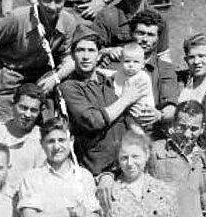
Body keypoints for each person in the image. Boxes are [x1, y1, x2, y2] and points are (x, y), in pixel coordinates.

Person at [0, 0, 81, 122]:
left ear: (64, 1)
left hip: (39, 79)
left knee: (46, 128)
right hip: (7, 77)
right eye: (47, 0)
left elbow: (69, 58)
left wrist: (55, 78)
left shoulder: (68, 22)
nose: (52, 6)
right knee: (2, 130)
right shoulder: (17, 18)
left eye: (58, 1)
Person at [61, 32, 152, 177]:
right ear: (72, 56)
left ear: (98, 55)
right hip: (96, 169)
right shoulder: (70, 87)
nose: (85, 56)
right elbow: (93, 121)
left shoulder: (109, 80)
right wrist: (125, 99)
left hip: (125, 165)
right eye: (80, 50)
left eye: (91, 50)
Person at [146, 101, 206, 217]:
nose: (187, 134)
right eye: (182, 126)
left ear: (202, 128)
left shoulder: (204, 157)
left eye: (194, 128)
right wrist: (107, 176)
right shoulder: (154, 150)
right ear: (173, 125)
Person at [91, 0, 171, 63]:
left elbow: (163, 55)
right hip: (116, 71)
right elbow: (90, 50)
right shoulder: (107, 16)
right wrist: (108, 50)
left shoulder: (158, 18)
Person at [126, 9, 178, 136]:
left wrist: (159, 115)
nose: (145, 39)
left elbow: (171, 106)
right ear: (131, 34)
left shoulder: (165, 68)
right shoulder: (117, 64)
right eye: (140, 33)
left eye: (150, 35)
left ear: (158, 38)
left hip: (152, 134)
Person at [101, 42, 155, 133]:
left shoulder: (141, 77)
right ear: (121, 62)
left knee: (131, 122)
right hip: (127, 108)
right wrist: (99, 71)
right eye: (127, 61)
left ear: (143, 64)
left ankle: (141, 138)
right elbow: (112, 74)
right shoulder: (121, 73)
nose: (131, 65)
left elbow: (125, 94)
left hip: (141, 110)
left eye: (136, 62)